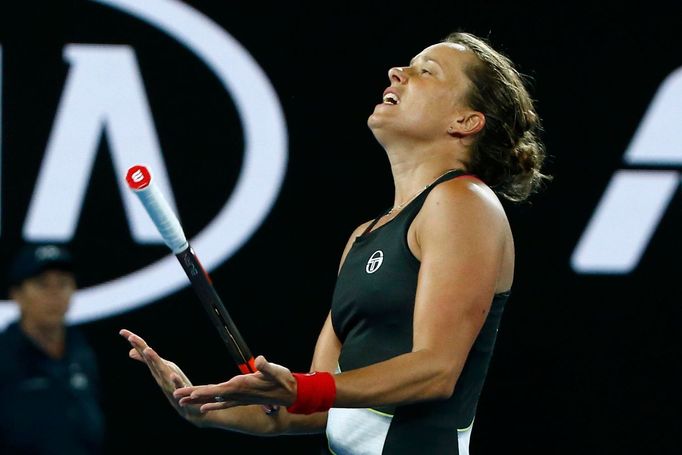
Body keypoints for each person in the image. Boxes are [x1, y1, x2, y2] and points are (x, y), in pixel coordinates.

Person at [120, 31, 550, 454]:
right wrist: (205, 408)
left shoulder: (464, 202)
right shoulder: (364, 236)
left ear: (465, 121)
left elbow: (436, 371)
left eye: (426, 71)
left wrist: (301, 387)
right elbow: (319, 408)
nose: (397, 72)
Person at [0, 243, 105, 454]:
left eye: (63, 283)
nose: (54, 294)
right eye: (42, 284)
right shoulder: (4, 357)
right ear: (17, 295)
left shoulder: (83, 352)